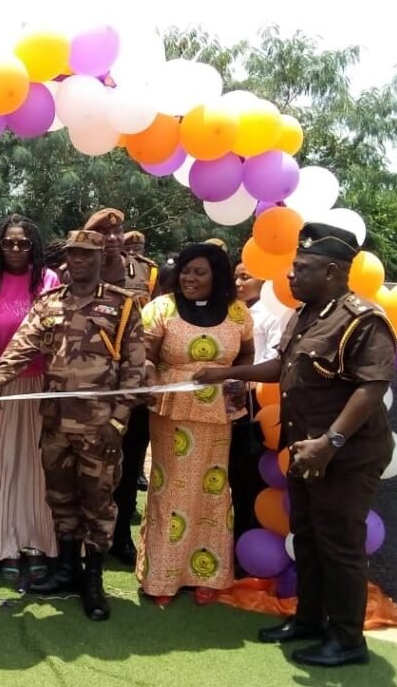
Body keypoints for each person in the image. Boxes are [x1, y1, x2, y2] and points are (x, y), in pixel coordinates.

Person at [195, 223, 397, 668]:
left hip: (344, 456)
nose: (290, 276)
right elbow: (282, 367)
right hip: (308, 450)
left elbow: (371, 387)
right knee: (306, 537)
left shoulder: (364, 320)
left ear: (330, 271)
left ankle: (347, 640)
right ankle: (308, 619)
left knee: (340, 546)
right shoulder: (309, 315)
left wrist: (330, 442)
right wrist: (226, 373)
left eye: (300, 269)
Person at [0, 228, 146, 621]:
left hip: (100, 428)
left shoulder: (123, 307)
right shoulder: (48, 304)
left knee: (98, 504)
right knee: (61, 499)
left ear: (100, 257)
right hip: (55, 424)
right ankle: (68, 569)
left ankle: (93, 582)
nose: (79, 261)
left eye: (88, 254)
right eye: (73, 255)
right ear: (66, 259)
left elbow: (135, 371)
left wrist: (119, 423)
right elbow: (20, 350)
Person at [136, 243, 254, 608]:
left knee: (213, 491)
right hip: (173, 412)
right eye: (186, 270)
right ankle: (162, 577)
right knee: (170, 490)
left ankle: (207, 574)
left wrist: (234, 378)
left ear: (217, 276)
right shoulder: (161, 309)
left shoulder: (237, 313)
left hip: (219, 414)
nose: (190, 278)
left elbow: (248, 353)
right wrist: (153, 376)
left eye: (199, 272)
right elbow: (145, 353)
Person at [0, 215, 60, 587]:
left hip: (41, 382)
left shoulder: (48, 279)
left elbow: (46, 329)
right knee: (6, 463)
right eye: (9, 243)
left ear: (33, 246)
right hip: (1, 384)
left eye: (23, 243)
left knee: (39, 464)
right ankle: (5, 546)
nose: (16, 249)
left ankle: (37, 544)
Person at [85, 208, 158, 567]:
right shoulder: (77, 272)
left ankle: (120, 535)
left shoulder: (146, 272)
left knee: (128, 462)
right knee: (88, 463)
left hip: (132, 387)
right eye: (102, 233)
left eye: (117, 232)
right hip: (88, 387)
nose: (111, 239)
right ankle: (82, 535)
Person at [229, 262, 286, 547]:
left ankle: (250, 537)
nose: (238, 283)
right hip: (230, 398)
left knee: (253, 476)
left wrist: (240, 378)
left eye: (245, 277)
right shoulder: (233, 311)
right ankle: (236, 538)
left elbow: (270, 360)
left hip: (257, 403)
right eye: (236, 276)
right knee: (234, 477)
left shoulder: (272, 314)